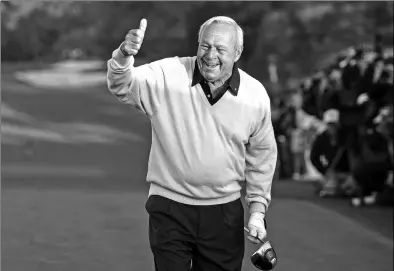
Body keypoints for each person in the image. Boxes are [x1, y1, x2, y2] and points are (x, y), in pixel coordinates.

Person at [106, 16, 278, 271]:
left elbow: (262, 156)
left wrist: (257, 211)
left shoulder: (254, 95)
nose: (210, 55)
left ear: (237, 52)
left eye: (220, 49)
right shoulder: (169, 74)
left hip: (223, 214)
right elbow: (122, 84)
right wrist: (123, 55)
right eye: (205, 46)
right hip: (170, 207)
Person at [310, 109, 351, 196]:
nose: (332, 127)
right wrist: (324, 171)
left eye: (334, 125)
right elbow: (314, 156)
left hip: (348, 172)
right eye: (329, 124)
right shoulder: (321, 138)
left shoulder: (347, 137)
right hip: (332, 171)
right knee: (332, 186)